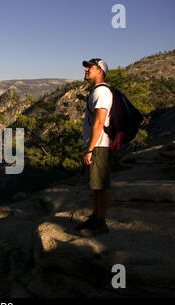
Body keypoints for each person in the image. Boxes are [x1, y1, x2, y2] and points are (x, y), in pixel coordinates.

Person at [75, 58, 113, 237]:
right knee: (96, 185)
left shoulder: (102, 93)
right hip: (97, 145)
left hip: (100, 145)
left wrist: (90, 148)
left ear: (100, 71)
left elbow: (99, 122)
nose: (86, 70)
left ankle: (101, 222)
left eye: (89, 67)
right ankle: (96, 217)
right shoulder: (97, 91)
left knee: (101, 185)